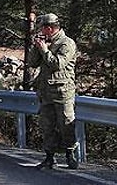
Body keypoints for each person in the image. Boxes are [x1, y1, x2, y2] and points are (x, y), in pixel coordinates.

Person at [28, 13, 79, 169]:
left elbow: (58, 64)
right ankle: (49, 157)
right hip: (45, 92)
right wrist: (36, 47)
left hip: (62, 92)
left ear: (49, 28)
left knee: (66, 125)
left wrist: (45, 50)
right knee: (47, 126)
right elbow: (32, 63)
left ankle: (71, 155)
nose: (41, 31)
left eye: (43, 28)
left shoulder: (66, 43)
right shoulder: (45, 42)